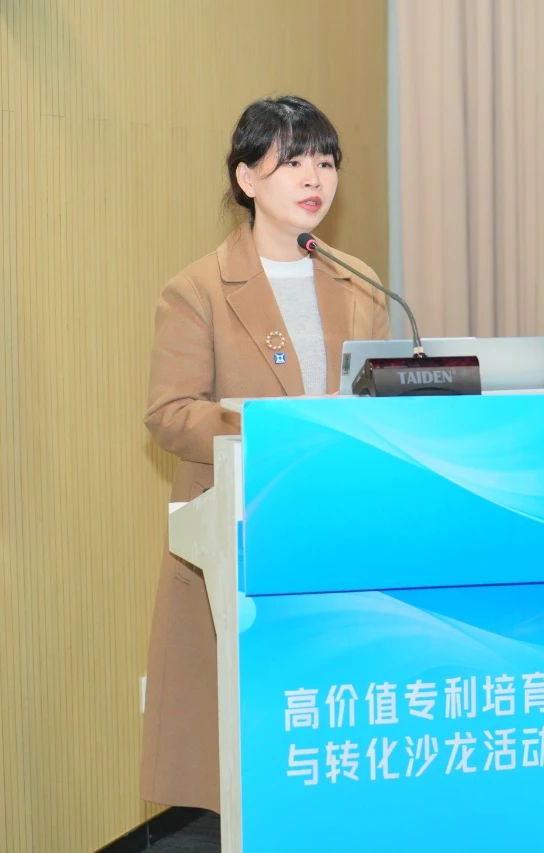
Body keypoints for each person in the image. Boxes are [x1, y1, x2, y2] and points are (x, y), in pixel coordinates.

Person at [140, 95, 389, 811]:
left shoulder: (360, 282)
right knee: (260, 759)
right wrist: (272, 428)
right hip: (247, 532)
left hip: (341, 531)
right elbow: (169, 413)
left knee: (335, 744)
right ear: (247, 178)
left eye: (326, 162)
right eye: (293, 162)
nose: (315, 178)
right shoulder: (198, 290)